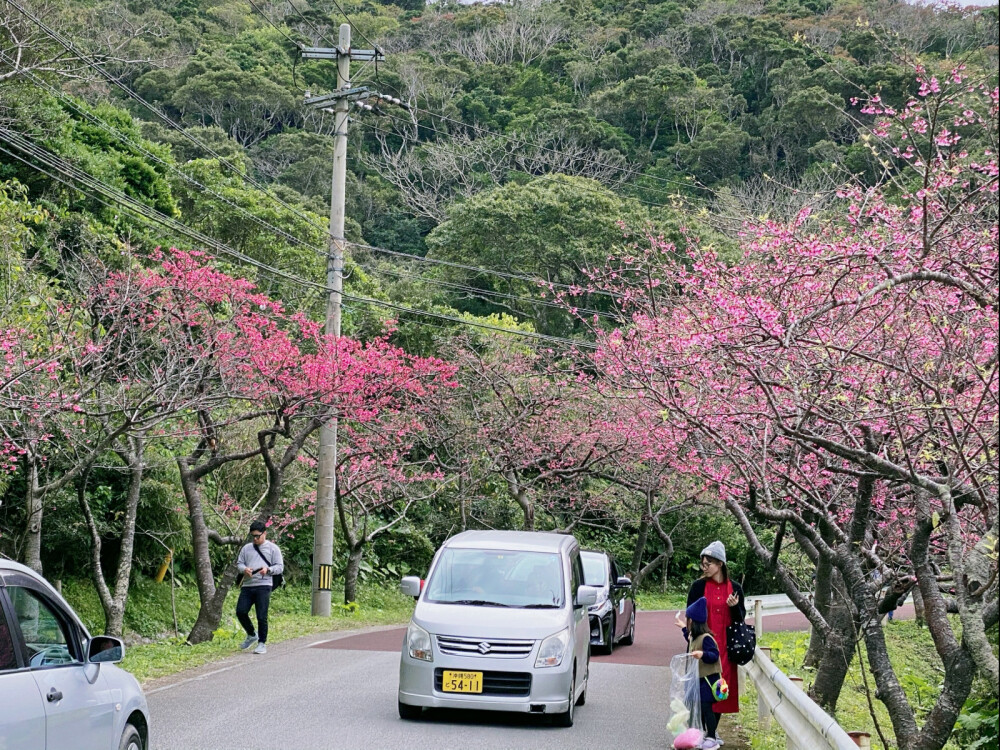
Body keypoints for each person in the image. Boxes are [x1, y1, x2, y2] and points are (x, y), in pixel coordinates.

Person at [684, 541, 746, 745]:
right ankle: (708, 732)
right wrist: (689, 637)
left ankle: (712, 732)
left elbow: (740, 620)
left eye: (708, 563)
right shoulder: (698, 587)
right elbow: (690, 615)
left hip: (726, 650)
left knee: (720, 691)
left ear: (720, 564)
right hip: (704, 646)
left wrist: (735, 607)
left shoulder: (735, 588)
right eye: (703, 563)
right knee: (702, 691)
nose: (704, 567)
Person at [676, 596, 725, 750]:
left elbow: (714, 655)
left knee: (707, 708)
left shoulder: (706, 638)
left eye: (688, 620)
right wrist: (683, 628)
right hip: (699, 680)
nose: (687, 622)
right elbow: (689, 639)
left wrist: (702, 654)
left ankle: (712, 737)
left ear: (694, 622)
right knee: (700, 708)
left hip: (709, 680)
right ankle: (704, 735)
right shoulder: (694, 637)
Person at [235, 520, 284, 655]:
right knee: (240, 611)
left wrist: (268, 569)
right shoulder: (246, 548)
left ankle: (262, 643)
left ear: (264, 534)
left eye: (258, 536)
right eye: (253, 536)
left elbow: (279, 567)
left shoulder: (273, 549)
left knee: (261, 615)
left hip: (264, 585)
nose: (255, 539)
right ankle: (251, 634)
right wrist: (245, 569)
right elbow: (239, 564)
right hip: (248, 585)